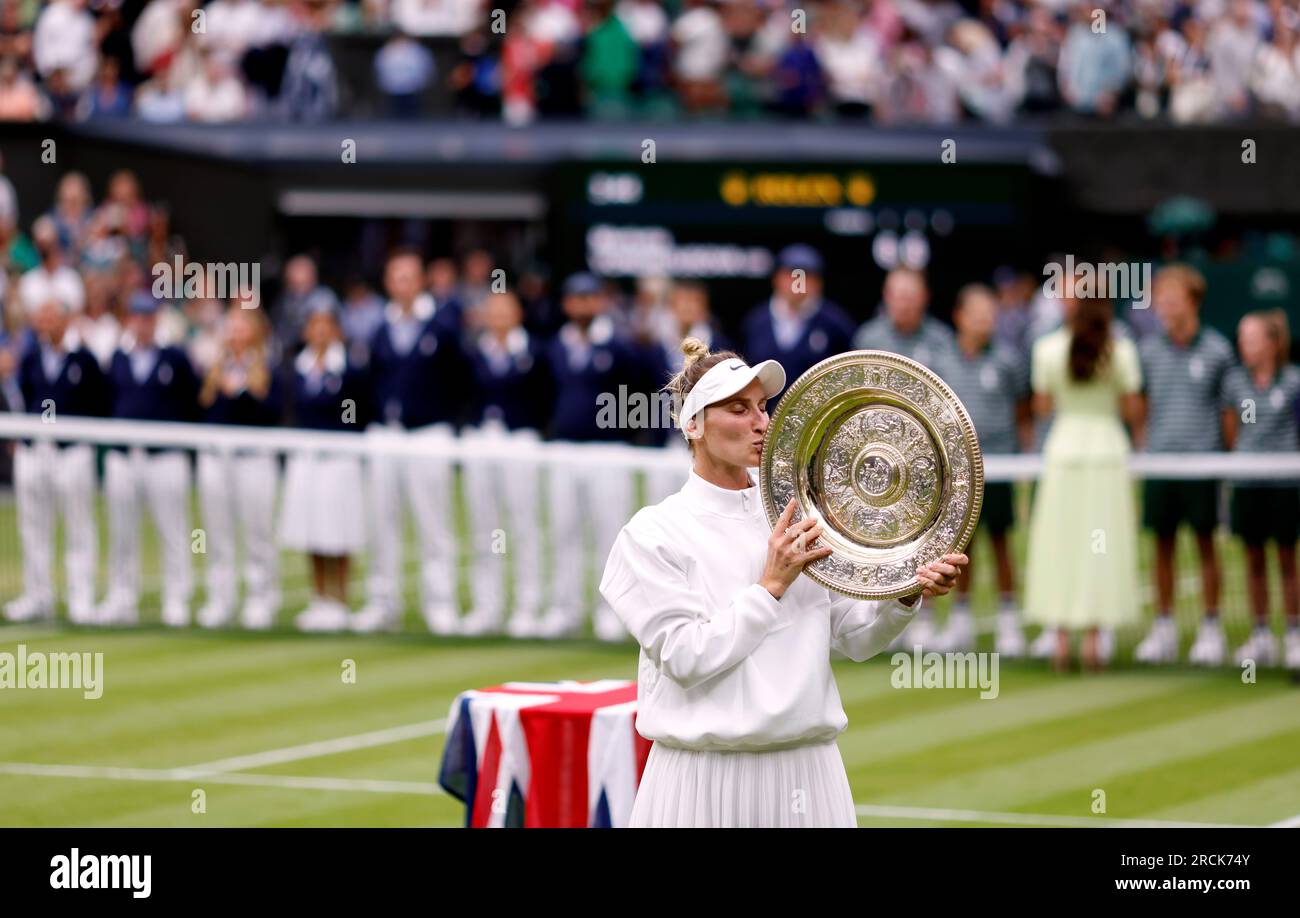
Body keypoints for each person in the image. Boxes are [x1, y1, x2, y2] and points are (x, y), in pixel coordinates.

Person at [598, 337, 966, 827]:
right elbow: (687, 657)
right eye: (737, 408)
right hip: (700, 780)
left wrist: (904, 592)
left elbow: (854, 637)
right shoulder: (652, 533)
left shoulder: (806, 517)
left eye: (762, 407)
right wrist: (769, 586)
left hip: (808, 772)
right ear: (693, 424)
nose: (760, 422)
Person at [1023, 285, 1143, 672]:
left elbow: (1042, 407)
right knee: (1099, 547)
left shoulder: (1046, 350)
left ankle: (1061, 640)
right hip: (1106, 453)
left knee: (1062, 545)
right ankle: (1093, 640)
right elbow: (1132, 408)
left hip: (1065, 452)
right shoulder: (1121, 351)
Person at [355, 248, 467, 634]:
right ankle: (383, 602)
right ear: (387, 283)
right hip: (387, 434)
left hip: (428, 434)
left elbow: (460, 378)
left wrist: (450, 425)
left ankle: (441, 604)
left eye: (408, 276)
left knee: (434, 524)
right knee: (381, 522)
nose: (401, 284)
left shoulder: (442, 326)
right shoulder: (380, 329)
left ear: (420, 281)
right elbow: (370, 381)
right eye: (395, 277)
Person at [1133, 265, 1235, 665]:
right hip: (1161, 465)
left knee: (1207, 545)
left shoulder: (1217, 350)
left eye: (1171, 299)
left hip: (1202, 466)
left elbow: (1228, 412)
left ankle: (1211, 629)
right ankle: (1164, 629)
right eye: (1160, 298)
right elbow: (1142, 406)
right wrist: (1147, 446)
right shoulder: (1149, 351)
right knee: (1162, 546)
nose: (1163, 306)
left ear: (1192, 302)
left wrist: (1223, 459)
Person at [540, 271, 648, 641]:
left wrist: (628, 434)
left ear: (600, 302)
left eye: (589, 298)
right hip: (565, 450)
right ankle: (564, 608)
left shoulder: (619, 347)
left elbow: (639, 393)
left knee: (610, 534)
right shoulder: (555, 346)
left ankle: (610, 612)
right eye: (576, 298)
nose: (583, 305)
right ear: (567, 304)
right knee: (563, 531)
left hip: (608, 450)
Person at [929, 284, 1031, 655]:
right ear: (959, 317)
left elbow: (1022, 411)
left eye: (990, 314)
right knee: (958, 548)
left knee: (1002, 542)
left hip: (999, 466)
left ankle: (1009, 624)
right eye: (977, 313)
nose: (985, 321)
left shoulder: (1008, 360)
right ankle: (959, 621)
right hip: (956, 472)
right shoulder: (941, 360)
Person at [98, 292, 201, 627]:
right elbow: (107, 401)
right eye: (136, 316)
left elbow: (191, 401)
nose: (142, 323)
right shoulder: (117, 358)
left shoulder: (175, 358)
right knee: (122, 530)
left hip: (165, 456)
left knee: (173, 529)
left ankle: (177, 597)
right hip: (126, 456)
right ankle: (122, 595)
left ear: (156, 320)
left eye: (148, 317)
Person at [5, 297, 107, 624]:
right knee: (33, 526)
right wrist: (23, 436)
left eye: (51, 316)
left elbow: (97, 404)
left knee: (78, 525)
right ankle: (38, 596)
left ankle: (81, 597)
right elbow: (25, 396)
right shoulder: (33, 358)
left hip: (72, 451)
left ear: (66, 319)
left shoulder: (84, 359)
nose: (45, 322)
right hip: (36, 449)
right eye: (41, 316)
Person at [459, 289, 552, 637]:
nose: (498, 317)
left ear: (517, 314)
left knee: (524, 524)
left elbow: (546, 395)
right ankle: (488, 605)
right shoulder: (475, 352)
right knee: (485, 526)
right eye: (492, 310)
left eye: (505, 310)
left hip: (521, 440)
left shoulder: (534, 352)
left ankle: (527, 605)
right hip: (482, 439)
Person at [280, 299, 371, 632]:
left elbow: (357, 413)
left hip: (339, 459)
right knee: (312, 531)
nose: (319, 331)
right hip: (307, 459)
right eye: (314, 324)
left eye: (326, 325)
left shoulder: (350, 369)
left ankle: (341, 599)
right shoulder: (296, 368)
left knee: (339, 531)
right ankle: (319, 598)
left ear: (337, 330)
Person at [194, 304, 283, 630]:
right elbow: (205, 409)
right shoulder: (216, 367)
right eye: (230, 327)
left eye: (241, 327)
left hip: (254, 458)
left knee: (257, 531)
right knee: (216, 532)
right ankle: (221, 597)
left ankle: (261, 596)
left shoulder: (267, 366)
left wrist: (243, 392)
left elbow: (272, 411)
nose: (235, 333)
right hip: (218, 457)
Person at [1220, 310, 1300, 669]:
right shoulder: (1235, 383)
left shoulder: (1295, 382)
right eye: (1242, 338)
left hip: (1285, 483)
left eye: (1251, 338)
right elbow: (1233, 431)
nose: (1244, 346)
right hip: (1248, 482)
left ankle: (1295, 636)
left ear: (1272, 343)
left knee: (1287, 561)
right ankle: (1262, 636)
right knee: (1254, 560)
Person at [740, 244, 856, 396]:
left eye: (805, 276)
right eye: (791, 275)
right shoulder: (755, 321)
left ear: (818, 283)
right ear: (777, 279)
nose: (797, 283)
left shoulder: (836, 324)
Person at [853, 266, 956, 370]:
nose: (903, 305)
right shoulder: (868, 338)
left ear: (925, 297)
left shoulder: (942, 340)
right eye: (897, 297)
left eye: (909, 298)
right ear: (885, 295)